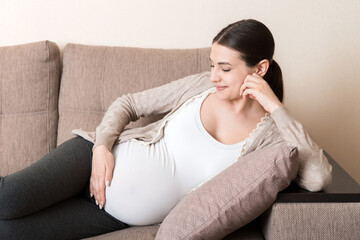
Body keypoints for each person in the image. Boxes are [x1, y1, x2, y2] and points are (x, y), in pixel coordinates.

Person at [0, 19, 332, 239]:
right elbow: (128, 103)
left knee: (9, 232)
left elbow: (318, 178)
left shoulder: (272, 136)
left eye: (225, 68)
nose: (214, 76)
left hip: (113, 216)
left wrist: (275, 106)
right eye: (213, 64)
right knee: (9, 199)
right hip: (88, 160)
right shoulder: (203, 87)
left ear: (260, 68)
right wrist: (101, 146)